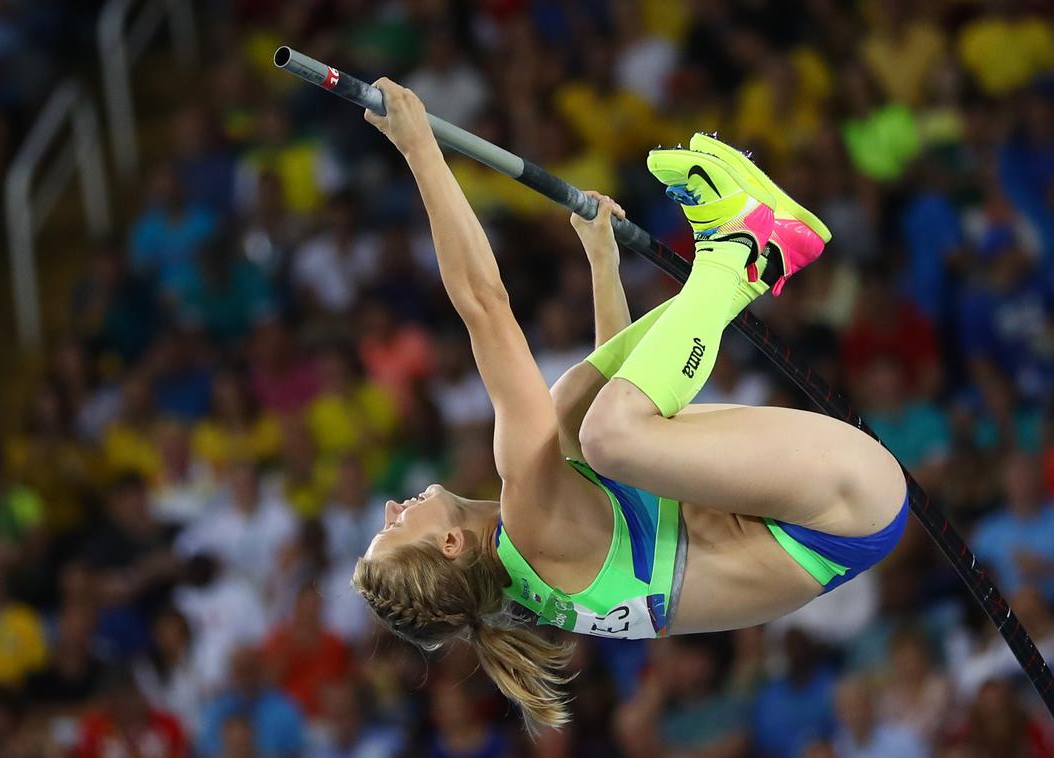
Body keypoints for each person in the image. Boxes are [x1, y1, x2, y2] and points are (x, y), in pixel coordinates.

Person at [351, 83, 907, 726]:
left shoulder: (535, 559)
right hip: (837, 510)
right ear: (450, 543)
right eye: (393, 528)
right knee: (608, 436)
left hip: (827, 507)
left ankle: (752, 255)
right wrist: (420, 148)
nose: (393, 507)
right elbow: (484, 306)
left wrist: (601, 262)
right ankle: (742, 253)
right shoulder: (529, 523)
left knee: (575, 420)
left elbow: (622, 484)